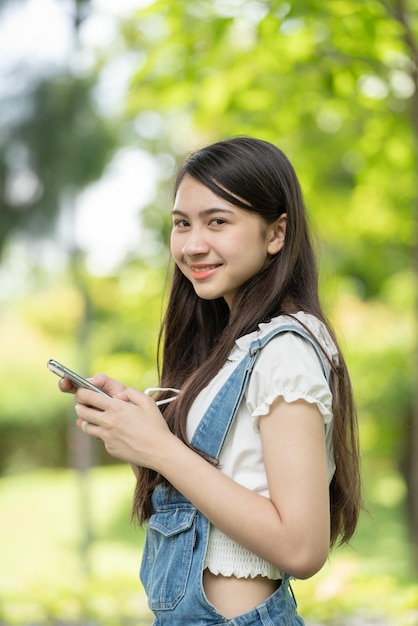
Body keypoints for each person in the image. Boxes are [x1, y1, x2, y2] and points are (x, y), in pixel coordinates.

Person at [59, 137, 361, 625]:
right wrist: (142, 429)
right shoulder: (229, 348)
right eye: (182, 223)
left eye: (217, 221)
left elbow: (303, 547)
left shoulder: (285, 350)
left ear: (276, 234)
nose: (192, 244)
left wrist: (161, 448)